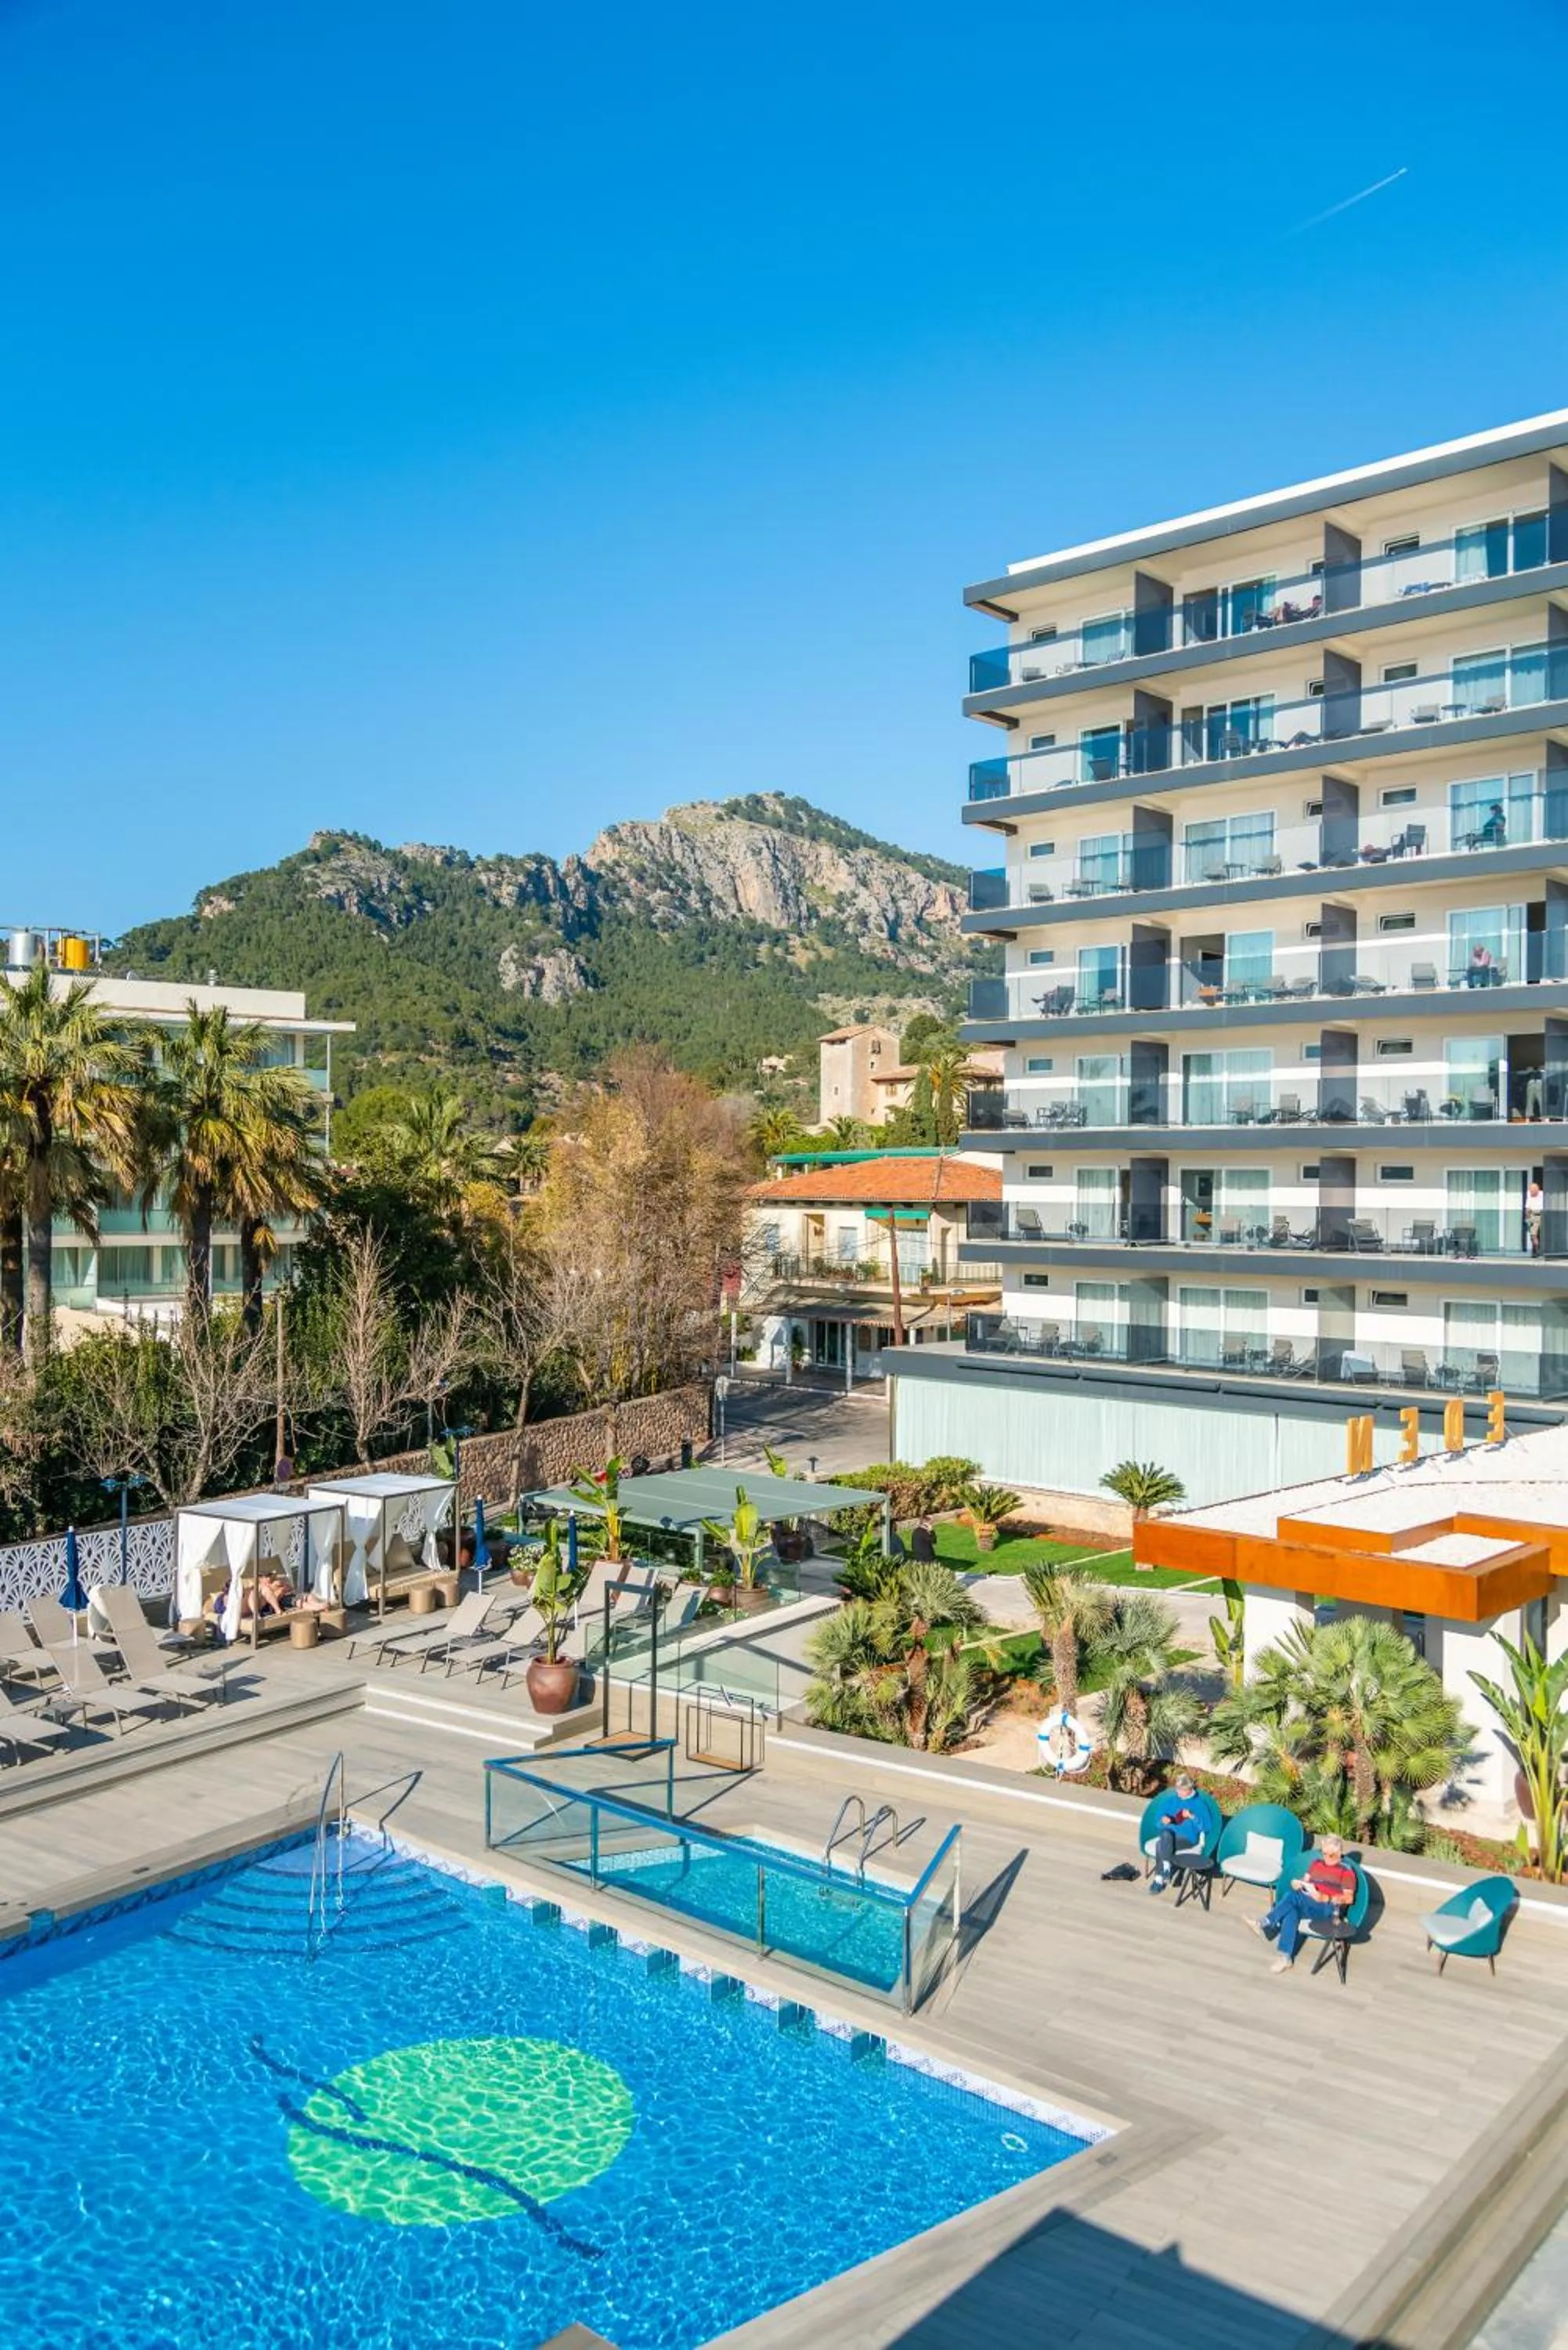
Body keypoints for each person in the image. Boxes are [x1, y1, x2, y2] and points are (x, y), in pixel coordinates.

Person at [1249, 1835, 1357, 1972]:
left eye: (1330, 1855)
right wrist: (1297, 1884)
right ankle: (1285, 1957)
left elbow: (1349, 1898)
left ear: (1339, 1853)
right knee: (1291, 1911)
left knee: (1292, 1897)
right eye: (1324, 1854)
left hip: (1326, 1908)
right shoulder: (1316, 1864)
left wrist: (1325, 1898)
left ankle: (1265, 1923)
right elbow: (1305, 1881)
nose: (1326, 1858)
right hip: (1307, 1900)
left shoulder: (1346, 1871)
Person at [1146, 1773, 1221, 1894]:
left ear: (1190, 1789)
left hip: (1187, 1839)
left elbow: (1206, 1827)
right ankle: (1165, 1870)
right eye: (1177, 1789)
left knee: (1161, 1844)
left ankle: (1159, 1879)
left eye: (1182, 1790)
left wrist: (1193, 1816)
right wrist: (1163, 1820)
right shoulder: (1171, 1801)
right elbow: (1157, 1822)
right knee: (1165, 1835)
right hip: (1169, 1836)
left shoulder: (1199, 1803)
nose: (1178, 1792)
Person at [1527, 1177, 1545, 1256]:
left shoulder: (1543, 1194)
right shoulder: (1529, 1195)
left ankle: (1543, 1250)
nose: (1531, 1192)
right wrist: (1527, 1217)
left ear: (1537, 1189)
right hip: (1533, 1215)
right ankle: (1536, 1250)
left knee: (1544, 1233)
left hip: (1542, 1214)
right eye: (1530, 1191)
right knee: (1533, 1234)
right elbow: (1527, 1207)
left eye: (1532, 1191)